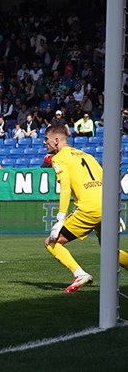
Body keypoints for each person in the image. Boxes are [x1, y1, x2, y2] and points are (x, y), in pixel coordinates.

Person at [43, 125, 128, 293]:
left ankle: (79, 274)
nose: (45, 143)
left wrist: (61, 218)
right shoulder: (87, 156)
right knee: (110, 251)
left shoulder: (59, 158)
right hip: (106, 206)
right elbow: (108, 181)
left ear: (56, 140)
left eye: (46, 139)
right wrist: (114, 209)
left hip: (88, 209)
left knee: (51, 243)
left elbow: (65, 187)